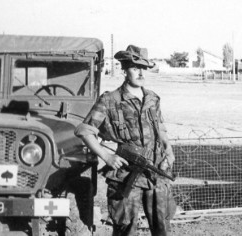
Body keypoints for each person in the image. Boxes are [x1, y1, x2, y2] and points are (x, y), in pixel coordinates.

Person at [74, 45, 176, 236]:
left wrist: (168, 150)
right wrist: (107, 156)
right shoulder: (110, 100)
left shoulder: (152, 98)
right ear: (124, 70)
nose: (140, 72)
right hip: (126, 176)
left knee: (163, 227)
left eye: (143, 68)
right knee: (125, 229)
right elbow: (84, 131)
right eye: (135, 68)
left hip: (156, 172)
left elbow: (160, 128)